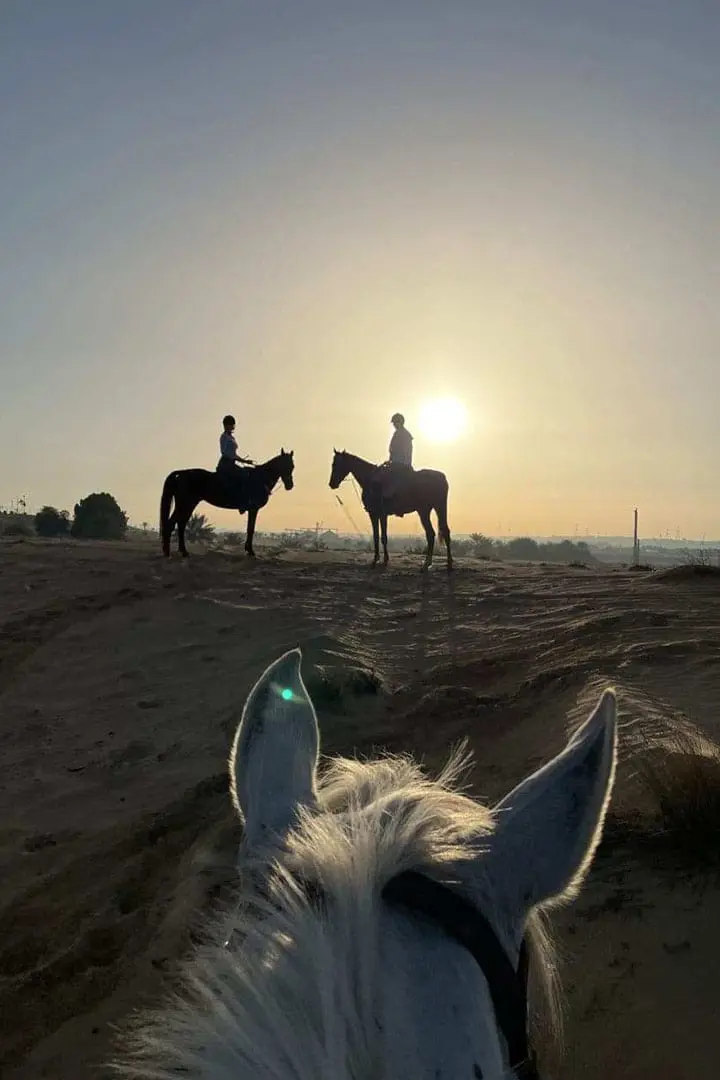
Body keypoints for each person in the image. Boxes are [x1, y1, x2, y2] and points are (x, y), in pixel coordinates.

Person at [377, 412, 414, 504]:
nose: (393, 425)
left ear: (399, 422)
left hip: (400, 463)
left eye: (394, 423)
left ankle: (387, 498)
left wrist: (392, 461)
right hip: (400, 462)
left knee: (382, 476)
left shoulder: (401, 434)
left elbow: (396, 450)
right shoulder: (403, 433)